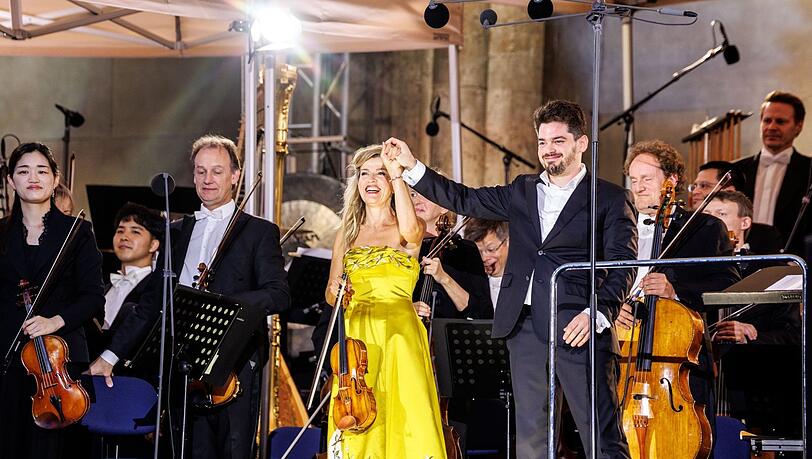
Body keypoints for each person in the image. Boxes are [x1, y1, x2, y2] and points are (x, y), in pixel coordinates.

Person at [387, 99, 637, 459]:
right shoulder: (522, 189)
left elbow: (624, 263)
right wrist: (413, 167)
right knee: (533, 437)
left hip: (578, 325)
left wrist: (597, 312)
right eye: (542, 142)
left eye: (558, 141)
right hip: (524, 326)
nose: (548, 150)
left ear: (581, 143)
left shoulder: (610, 198)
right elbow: (465, 198)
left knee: (599, 433)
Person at [92, 135, 290, 458]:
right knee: (184, 449)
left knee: (232, 450)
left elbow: (279, 294)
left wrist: (228, 308)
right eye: (200, 172)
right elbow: (151, 304)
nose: (207, 180)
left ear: (235, 176)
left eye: (216, 171)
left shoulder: (258, 231)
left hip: (234, 364)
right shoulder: (177, 231)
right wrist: (110, 357)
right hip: (181, 363)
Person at [324, 144, 446, 457]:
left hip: (399, 333)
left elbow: (410, 232)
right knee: (359, 416)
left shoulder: (410, 226)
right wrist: (335, 290)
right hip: (357, 336)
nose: (372, 179)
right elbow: (329, 291)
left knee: (405, 414)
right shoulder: (346, 233)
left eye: (380, 173)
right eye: (365, 173)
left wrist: (398, 175)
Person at [617, 139, 740, 449]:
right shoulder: (618, 229)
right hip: (622, 358)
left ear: (671, 180)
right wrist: (613, 306)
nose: (639, 187)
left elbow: (728, 286)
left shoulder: (704, 228)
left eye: (647, 178)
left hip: (677, 363)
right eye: (634, 180)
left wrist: (675, 291)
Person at [0, 142, 104, 459]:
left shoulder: (78, 232)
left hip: (60, 360)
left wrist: (54, 321)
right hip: (8, 355)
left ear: (55, 178)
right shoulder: (1, 233)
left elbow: (93, 297)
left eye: (42, 170)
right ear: (10, 181)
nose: (33, 177)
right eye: (23, 171)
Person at [703, 190, 801, 345]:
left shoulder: (773, 269)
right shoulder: (690, 266)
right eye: (706, 214)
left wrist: (750, 338)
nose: (712, 220)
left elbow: (791, 334)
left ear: (745, 223)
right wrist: (712, 336)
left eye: (721, 214)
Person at [86, 203, 162, 387]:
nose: (124, 237)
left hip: (130, 383)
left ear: (154, 244)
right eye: (120, 231)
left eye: (135, 232)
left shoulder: (157, 288)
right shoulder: (102, 284)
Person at [736, 91, 811, 254]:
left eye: (780, 121)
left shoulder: (810, 170)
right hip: (739, 262)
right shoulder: (737, 169)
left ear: (798, 126)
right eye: (767, 120)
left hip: (793, 262)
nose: (772, 127)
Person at [410, 186, 492, 320]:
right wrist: (407, 309)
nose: (417, 201)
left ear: (444, 206)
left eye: (426, 194)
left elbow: (482, 312)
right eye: (413, 195)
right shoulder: (399, 248)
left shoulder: (464, 250)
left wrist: (444, 279)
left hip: (447, 338)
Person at [690, 160, 783, 253]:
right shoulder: (689, 231)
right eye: (694, 186)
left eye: (704, 186)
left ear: (729, 190)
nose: (695, 192)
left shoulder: (765, 237)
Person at [464, 218, 509, 309]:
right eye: (478, 252)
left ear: (508, 241)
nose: (484, 258)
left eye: (491, 249)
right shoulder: (472, 283)